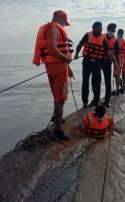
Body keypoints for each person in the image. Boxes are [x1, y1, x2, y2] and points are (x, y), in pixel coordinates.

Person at [32, 10, 73, 141]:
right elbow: (52, 48)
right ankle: (58, 130)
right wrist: (66, 59)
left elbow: (55, 50)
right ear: (60, 18)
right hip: (58, 68)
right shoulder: (54, 28)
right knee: (60, 98)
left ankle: (56, 119)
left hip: (54, 67)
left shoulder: (50, 28)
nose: (65, 26)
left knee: (57, 96)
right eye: (65, 23)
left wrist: (68, 67)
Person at [74, 22, 120, 108]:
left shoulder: (103, 38)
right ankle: (85, 101)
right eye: (99, 28)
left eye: (101, 28)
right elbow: (80, 45)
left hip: (97, 62)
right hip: (87, 62)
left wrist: (116, 64)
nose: (101, 30)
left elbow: (109, 52)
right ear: (93, 28)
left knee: (96, 82)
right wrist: (76, 54)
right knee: (85, 81)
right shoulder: (87, 35)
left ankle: (96, 100)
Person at [102, 23, 120, 107]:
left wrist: (118, 65)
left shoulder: (115, 41)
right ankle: (96, 99)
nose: (112, 32)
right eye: (111, 30)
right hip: (98, 61)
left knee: (108, 81)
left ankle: (107, 100)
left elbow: (117, 54)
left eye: (113, 31)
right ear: (107, 29)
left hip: (108, 62)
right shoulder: (101, 37)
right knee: (96, 81)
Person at [115, 29, 125, 94]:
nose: (119, 34)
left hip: (121, 59)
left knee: (118, 74)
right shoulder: (115, 40)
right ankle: (122, 86)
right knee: (116, 74)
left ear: (122, 34)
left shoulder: (123, 41)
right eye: (118, 33)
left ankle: (119, 89)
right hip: (115, 59)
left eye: (120, 33)